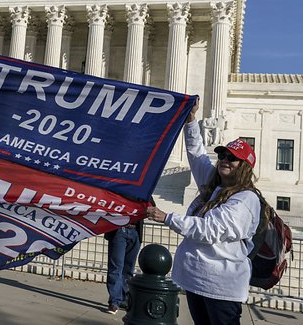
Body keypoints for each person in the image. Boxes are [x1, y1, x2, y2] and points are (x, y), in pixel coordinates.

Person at [146, 98, 262, 325]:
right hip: (197, 280)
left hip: (221, 287)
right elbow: (197, 154)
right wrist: (190, 122)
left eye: (232, 158)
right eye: (222, 156)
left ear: (245, 166)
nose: (224, 160)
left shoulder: (246, 199)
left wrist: (167, 217)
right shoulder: (214, 188)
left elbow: (210, 230)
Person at [104, 220, 143, 314]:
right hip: (119, 230)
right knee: (116, 267)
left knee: (128, 268)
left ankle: (124, 298)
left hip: (135, 231)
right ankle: (114, 301)